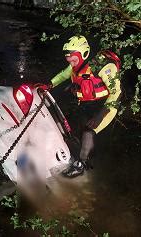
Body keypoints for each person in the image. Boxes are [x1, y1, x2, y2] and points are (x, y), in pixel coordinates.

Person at [47, 35, 121, 178]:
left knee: (89, 131)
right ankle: (71, 150)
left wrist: (101, 115)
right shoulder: (76, 65)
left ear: (84, 54)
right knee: (70, 123)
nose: (71, 62)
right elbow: (64, 74)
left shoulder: (105, 67)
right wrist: (49, 84)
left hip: (106, 105)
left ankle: (81, 165)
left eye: (73, 59)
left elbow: (116, 93)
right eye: (68, 59)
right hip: (87, 103)